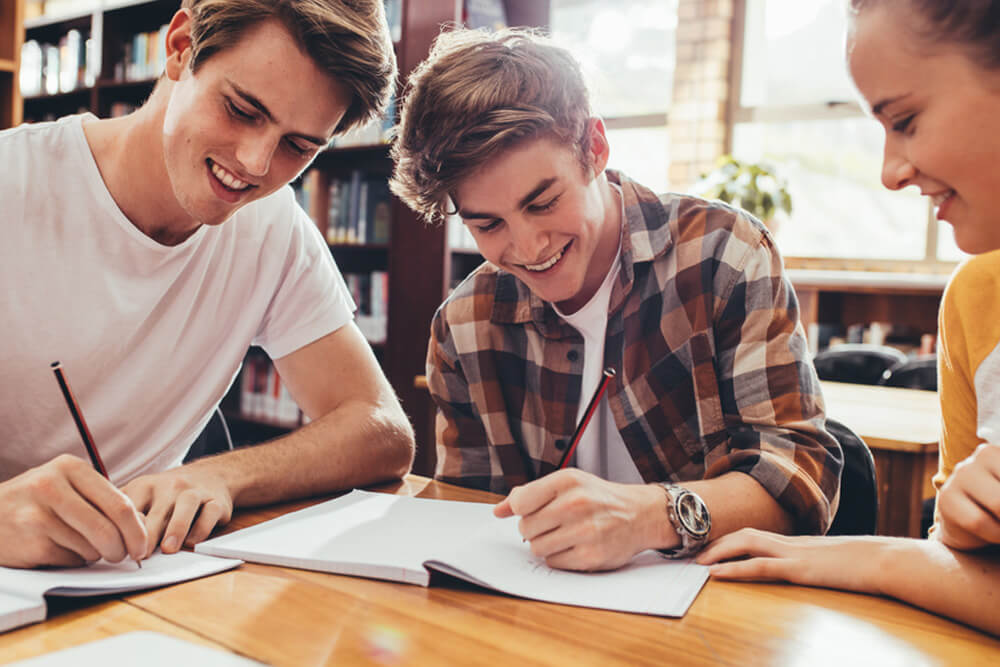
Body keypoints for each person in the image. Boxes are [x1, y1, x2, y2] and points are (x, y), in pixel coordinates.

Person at [389, 28, 842, 573]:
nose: (528, 247)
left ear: (595, 148)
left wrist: (653, 515)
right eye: (488, 225)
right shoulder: (464, 327)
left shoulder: (723, 256)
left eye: (544, 201)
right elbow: (470, 518)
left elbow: (801, 480)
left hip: (716, 616)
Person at [0, 0, 414, 569]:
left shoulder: (272, 230)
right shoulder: (12, 184)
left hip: (144, 580)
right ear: (179, 47)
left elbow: (383, 429)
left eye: (298, 146)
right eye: (242, 110)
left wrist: (222, 474)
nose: (255, 163)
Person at [698, 0, 1000, 637]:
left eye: (907, 120)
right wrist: (953, 527)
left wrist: (881, 559)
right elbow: (963, 557)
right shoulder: (977, 299)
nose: (891, 172)